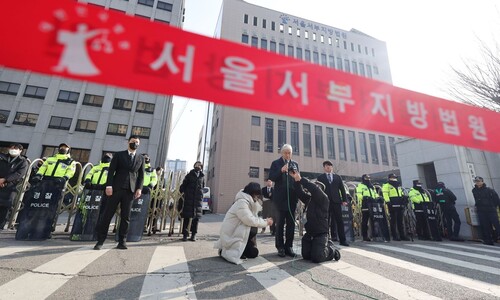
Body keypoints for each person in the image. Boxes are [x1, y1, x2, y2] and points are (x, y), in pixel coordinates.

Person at [94, 136, 145, 250]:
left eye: (137, 142)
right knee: (107, 215)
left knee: (125, 217)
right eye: (133, 142)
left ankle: (122, 241)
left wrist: (139, 188)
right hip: (116, 189)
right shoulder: (119, 155)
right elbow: (111, 171)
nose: (135, 144)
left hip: (130, 191)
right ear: (128, 142)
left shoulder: (140, 158)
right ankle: (100, 241)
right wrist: (109, 185)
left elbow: (141, 175)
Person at [215, 182, 273, 264]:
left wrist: (264, 220)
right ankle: (224, 250)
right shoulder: (242, 203)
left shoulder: (249, 202)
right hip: (232, 234)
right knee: (252, 227)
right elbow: (250, 220)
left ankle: (243, 249)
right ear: (252, 194)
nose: (257, 198)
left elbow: (255, 217)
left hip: (238, 232)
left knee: (254, 253)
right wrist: (266, 222)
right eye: (256, 195)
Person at [290, 170, 336, 263]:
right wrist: (297, 180)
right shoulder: (309, 199)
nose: (314, 188)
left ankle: (332, 251)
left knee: (317, 257)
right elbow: (300, 192)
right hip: (310, 233)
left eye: (317, 186)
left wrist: (301, 179)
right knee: (306, 256)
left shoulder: (324, 199)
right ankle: (319, 248)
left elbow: (315, 189)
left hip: (320, 233)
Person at [269, 144, 299, 257]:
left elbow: (297, 180)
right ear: (281, 153)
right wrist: (281, 170)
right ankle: (280, 247)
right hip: (280, 199)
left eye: (289, 153)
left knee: (291, 224)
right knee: (280, 224)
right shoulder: (276, 163)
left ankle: (289, 246)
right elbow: (271, 177)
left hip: (292, 199)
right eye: (285, 152)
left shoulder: (295, 164)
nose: (287, 155)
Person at [317, 160, 349, 246]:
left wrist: (344, 200)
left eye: (330, 165)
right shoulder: (320, 177)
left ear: (332, 167)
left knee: (339, 221)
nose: (329, 167)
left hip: (336, 202)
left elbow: (342, 189)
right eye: (327, 166)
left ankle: (343, 240)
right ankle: (325, 240)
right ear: (324, 168)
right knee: (325, 221)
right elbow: (318, 190)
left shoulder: (337, 177)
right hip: (325, 202)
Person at [0, 144, 29, 230]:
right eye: (11, 148)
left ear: (20, 150)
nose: (13, 150)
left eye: (15, 148)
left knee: (5, 206)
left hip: (10, 186)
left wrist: (5, 180)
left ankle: (1, 225)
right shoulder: (2, 158)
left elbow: (19, 173)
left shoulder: (23, 161)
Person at [179, 161, 204, 242]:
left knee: (196, 218)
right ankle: (185, 235)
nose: (198, 166)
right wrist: (185, 192)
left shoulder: (202, 176)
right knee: (187, 217)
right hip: (189, 198)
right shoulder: (189, 175)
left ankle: (193, 234)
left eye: (200, 165)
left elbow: (202, 187)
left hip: (197, 200)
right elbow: (183, 185)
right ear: (194, 166)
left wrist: (201, 195)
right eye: (197, 165)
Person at [472, 176, 500, 245]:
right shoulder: (474, 190)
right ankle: (489, 240)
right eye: (476, 181)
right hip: (481, 210)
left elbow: (496, 200)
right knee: (485, 225)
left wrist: (493, 206)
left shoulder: (489, 190)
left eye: (479, 181)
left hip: (491, 210)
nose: (477, 183)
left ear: (482, 181)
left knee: (496, 224)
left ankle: (497, 237)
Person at [382, 173, 409, 241]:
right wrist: (388, 202)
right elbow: (385, 194)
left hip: (399, 203)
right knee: (393, 221)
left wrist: (404, 197)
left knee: (400, 220)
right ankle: (395, 236)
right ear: (389, 178)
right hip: (392, 203)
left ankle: (402, 235)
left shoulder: (398, 185)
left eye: (395, 177)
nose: (394, 178)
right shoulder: (386, 186)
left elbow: (400, 193)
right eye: (392, 177)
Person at [356, 174, 378, 241]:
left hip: (372, 203)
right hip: (365, 204)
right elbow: (359, 194)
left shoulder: (372, 186)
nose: (368, 179)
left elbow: (375, 194)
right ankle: (365, 236)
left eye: (369, 178)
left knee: (374, 220)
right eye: (366, 178)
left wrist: (378, 198)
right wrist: (364, 197)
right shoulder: (360, 186)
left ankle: (374, 235)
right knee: (365, 220)